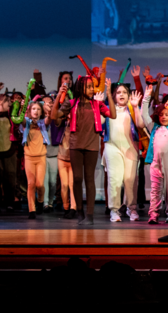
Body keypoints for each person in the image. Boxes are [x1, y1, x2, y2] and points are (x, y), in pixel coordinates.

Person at [52, 75, 114, 225]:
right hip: (75, 146)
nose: (92, 89)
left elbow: (113, 114)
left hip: (92, 146)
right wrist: (59, 95)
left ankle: (90, 215)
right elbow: (54, 115)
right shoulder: (72, 103)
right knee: (77, 178)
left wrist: (109, 94)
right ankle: (79, 211)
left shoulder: (97, 104)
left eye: (93, 86)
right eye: (89, 87)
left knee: (89, 179)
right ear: (81, 88)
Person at [139, 85, 168, 224]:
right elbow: (144, 115)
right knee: (155, 190)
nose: (164, 117)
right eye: (161, 115)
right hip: (156, 164)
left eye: (167, 115)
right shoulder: (154, 127)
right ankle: (154, 214)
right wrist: (146, 97)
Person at [104, 83, 143, 222]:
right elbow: (99, 122)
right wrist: (98, 105)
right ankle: (114, 210)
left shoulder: (132, 109)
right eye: (118, 92)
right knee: (114, 179)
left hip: (130, 147)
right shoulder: (107, 109)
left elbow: (140, 125)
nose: (121, 94)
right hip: (112, 146)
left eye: (124, 92)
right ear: (114, 96)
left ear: (128, 95)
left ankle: (131, 208)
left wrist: (136, 107)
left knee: (130, 179)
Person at [21, 100, 49, 219]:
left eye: (38, 109)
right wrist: (22, 108)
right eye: (33, 109)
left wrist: (49, 110)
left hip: (41, 157)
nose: (36, 111)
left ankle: (40, 201)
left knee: (40, 184)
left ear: (41, 111)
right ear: (29, 111)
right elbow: (22, 120)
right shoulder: (26, 123)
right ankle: (31, 210)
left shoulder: (43, 123)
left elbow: (49, 119)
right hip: (29, 157)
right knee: (31, 183)